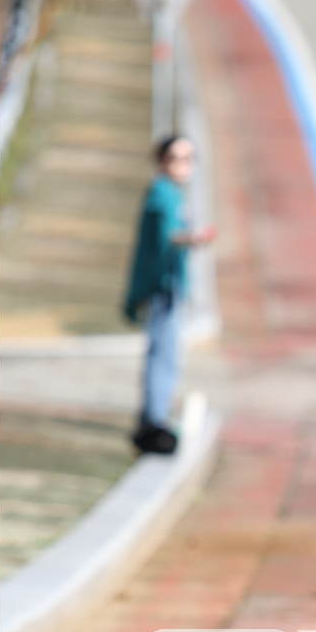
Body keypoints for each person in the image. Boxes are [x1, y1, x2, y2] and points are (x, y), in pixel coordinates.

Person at [123, 135, 216, 454]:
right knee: (164, 354)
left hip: (168, 283)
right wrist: (193, 239)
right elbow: (169, 234)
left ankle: (154, 417)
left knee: (165, 352)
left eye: (189, 159)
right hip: (161, 285)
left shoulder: (172, 193)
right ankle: (154, 422)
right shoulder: (163, 193)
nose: (184, 165)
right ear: (162, 161)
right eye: (177, 158)